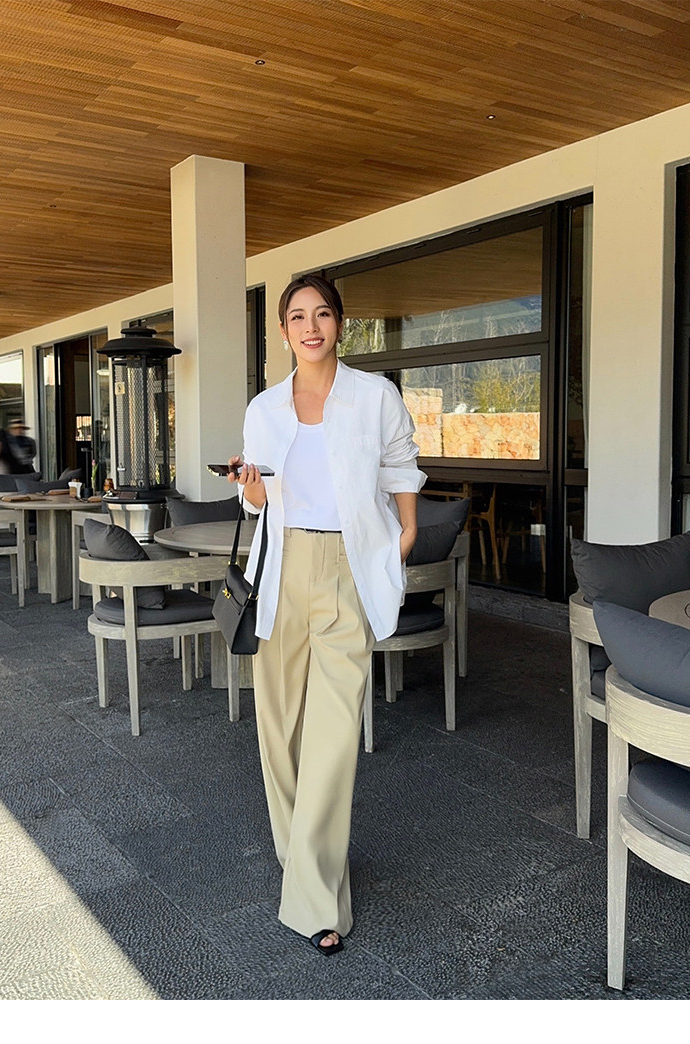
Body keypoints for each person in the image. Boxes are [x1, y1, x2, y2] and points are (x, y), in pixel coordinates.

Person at [227, 274, 425, 955]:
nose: (310, 326)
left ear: (340, 322)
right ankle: (303, 861)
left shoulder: (374, 397)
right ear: (283, 331)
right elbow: (257, 503)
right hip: (281, 570)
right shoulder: (263, 410)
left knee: (336, 733)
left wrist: (405, 535)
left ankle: (313, 898)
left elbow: (400, 465)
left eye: (321, 314)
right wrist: (252, 490)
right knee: (279, 728)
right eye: (296, 316)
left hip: (346, 568)